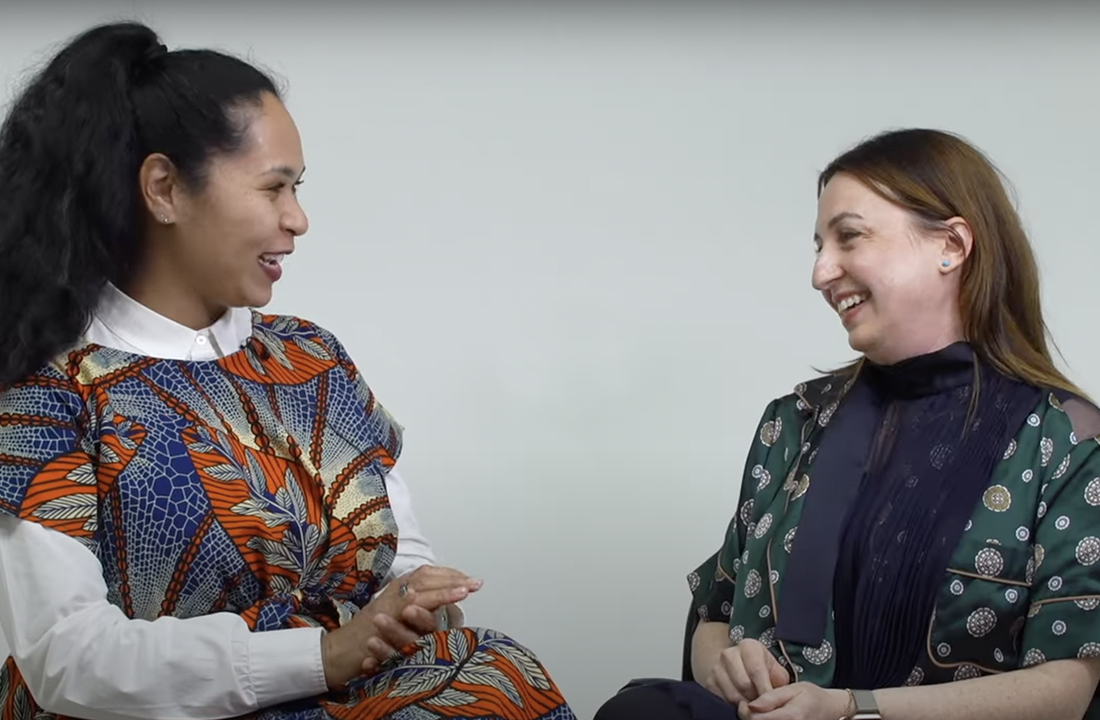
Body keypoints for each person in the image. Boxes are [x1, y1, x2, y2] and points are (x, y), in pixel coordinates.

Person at [0, 22, 575, 720]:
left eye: (298, 189)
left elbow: (397, 553)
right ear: (164, 189)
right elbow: (69, 660)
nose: (298, 219)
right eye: (274, 189)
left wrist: (413, 601)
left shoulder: (313, 359)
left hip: (362, 693)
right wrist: (325, 656)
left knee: (501, 676)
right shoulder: (47, 392)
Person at [595, 128, 1100, 720]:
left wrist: (849, 708)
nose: (820, 273)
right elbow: (716, 615)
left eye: (849, 238)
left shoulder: (1065, 440)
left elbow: (1066, 686)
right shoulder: (795, 423)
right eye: (818, 246)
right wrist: (730, 666)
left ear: (952, 245)